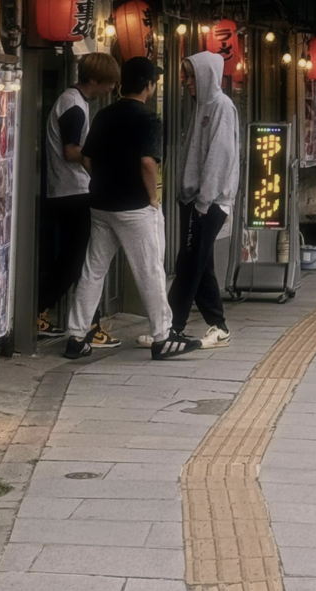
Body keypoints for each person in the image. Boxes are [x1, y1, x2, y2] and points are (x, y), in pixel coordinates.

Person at [65, 58, 200, 360]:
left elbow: (86, 157)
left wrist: (101, 179)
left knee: (93, 270)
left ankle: (76, 336)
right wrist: (152, 199)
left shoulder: (104, 115)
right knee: (150, 269)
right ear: (149, 84)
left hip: (100, 204)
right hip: (135, 207)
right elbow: (148, 162)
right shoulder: (148, 118)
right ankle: (163, 336)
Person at [37, 51, 121, 346]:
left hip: (68, 191)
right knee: (82, 262)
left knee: (77, 261)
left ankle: (53, 314)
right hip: (72, 191)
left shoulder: (74, 102)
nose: (111, 88)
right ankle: (81, 323)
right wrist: (97, 169)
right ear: (95, 79)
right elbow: (71, 151)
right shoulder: (74, 105)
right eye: (109, 83)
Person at [165, 50, 240, 349]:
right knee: (200, 263)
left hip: (208, 201)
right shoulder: (201, 107)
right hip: (196, 199)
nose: (186, 82)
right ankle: (218, 325)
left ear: (206, 75)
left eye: (190, 76)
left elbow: (220, 157)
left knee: (189, 264)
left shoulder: (221, 106)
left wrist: (203, 200)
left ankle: (170, 326)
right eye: (185, 76)